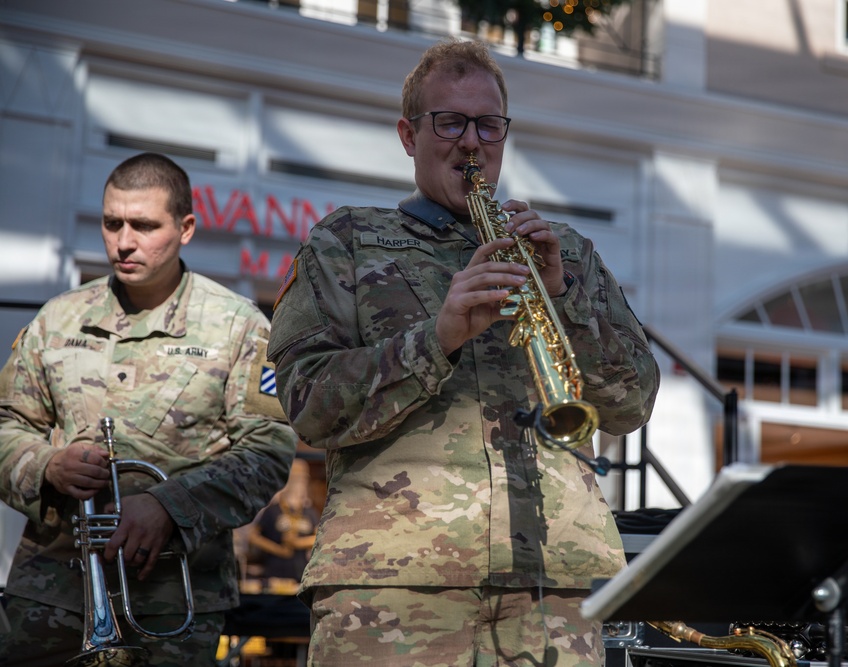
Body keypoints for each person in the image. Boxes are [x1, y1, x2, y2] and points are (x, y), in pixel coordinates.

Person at [267, 38, 659, 667]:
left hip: (550, 588)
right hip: (391, 585)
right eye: (449, 122)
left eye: (488, 124)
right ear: (407, 135)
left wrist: (564, 297)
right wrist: (439, 338)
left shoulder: (569, 252)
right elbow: (308, 404)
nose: (471, 142)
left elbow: (631, 401)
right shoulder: (346, 242)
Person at [0, 152, 297, 666]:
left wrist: (169, 505)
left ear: (186, 228)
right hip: (48, 596)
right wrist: (46, 465)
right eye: (112, 223)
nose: (124, 241)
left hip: (171, 608)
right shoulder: (58, 319)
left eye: (143, 225)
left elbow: (268, 450)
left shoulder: (239, 326)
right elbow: (7, 425)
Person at [246, 457, 318, 586]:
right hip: (274, 574)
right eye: (294, 478)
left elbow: (320, 539)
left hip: (301, 576)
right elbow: (253, 537)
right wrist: (277, 549)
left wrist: (298, 543)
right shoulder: (273, 510)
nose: (298, 482)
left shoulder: (310, 512)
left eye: (301, 478)